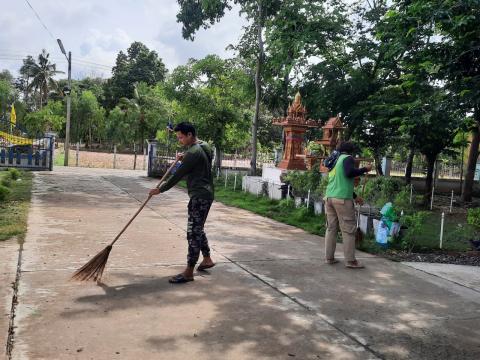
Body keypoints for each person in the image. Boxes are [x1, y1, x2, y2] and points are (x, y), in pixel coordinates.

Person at [149, 122, 215, 283]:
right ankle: (207, 259)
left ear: (190, 135)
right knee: (198, 228)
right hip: (206, 193)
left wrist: (160, 189)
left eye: (181, 137)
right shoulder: (203, 146)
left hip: (199, 196)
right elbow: (200, 155)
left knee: (193, 233)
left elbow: (177, 175)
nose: (179, 140)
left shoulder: (193, 152)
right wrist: (185, 156)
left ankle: (189, 272)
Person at [324, 141, 372, 269]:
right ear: (351, 151)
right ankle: (351, 261)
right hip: (342, 200)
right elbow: (349, 173)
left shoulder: (335, 160)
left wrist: (355, 197)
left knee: (331, 228)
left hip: (329, 198)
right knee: (349, 230)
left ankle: (329, 258)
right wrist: (365, 169)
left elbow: (340, 181)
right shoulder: (348, 158)